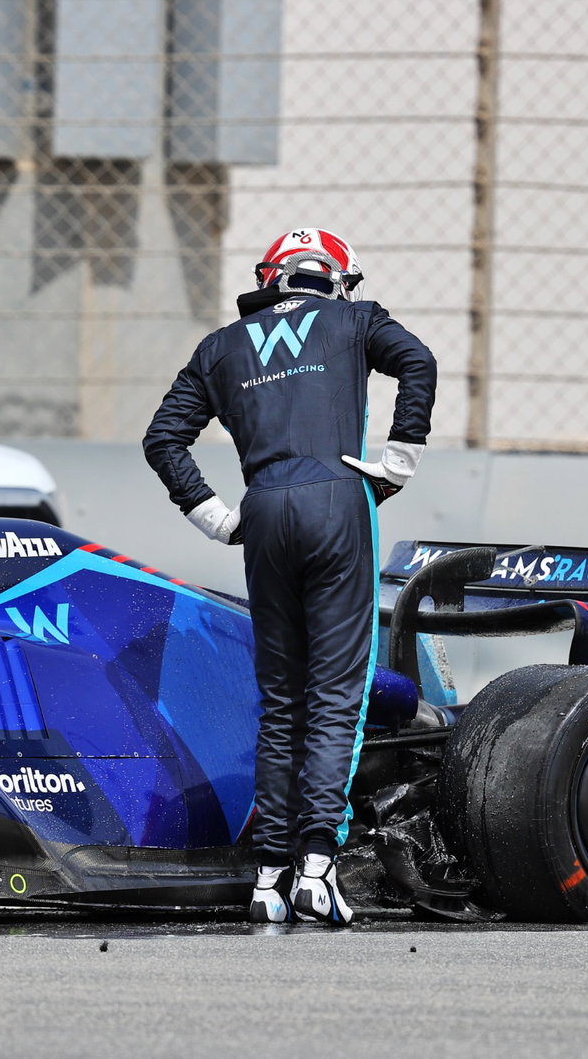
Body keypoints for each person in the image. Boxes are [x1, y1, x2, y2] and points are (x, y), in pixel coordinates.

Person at [143, 227, 437, 925]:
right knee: (338, 696)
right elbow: (418, 363)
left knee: (281, 703)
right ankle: (317, 867)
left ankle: (268, 877)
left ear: (273, 277)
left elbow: (163, 438)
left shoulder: (221, 345)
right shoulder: (356, 318)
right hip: (339, 498)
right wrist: (399, 461)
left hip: (264, 508)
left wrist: (217, 517)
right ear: (334, 278)